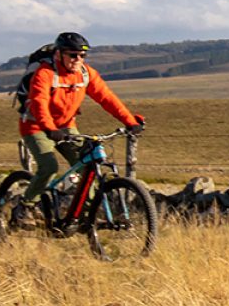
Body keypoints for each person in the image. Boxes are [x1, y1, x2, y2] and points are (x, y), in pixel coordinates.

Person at [14, 31, 145, 220]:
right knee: (49, 167)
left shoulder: (86, 73)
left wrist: (130, 122)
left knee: (88, 165)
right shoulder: (45, 73)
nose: (78, 59)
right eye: (73, 55)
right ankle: (25, 206)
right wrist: (50, 128)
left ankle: (84, 215)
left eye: (82, 55)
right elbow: (39, 103)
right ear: (59, 54)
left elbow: (107, 98)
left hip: (66, 126)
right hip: (36, 126)